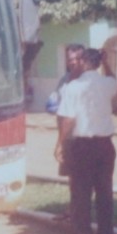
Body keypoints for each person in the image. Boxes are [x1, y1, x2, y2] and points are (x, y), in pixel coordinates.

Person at [54, 48, 117, 234]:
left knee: (81, 191)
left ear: (82, 62)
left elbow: (69, 120)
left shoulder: (73, 87)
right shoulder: (108, 84)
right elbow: (113, 78)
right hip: (105, 144)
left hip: (83, 146)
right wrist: (106, 62)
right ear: (99, 63)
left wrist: (60, 143)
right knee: (105, 190)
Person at [47, 44, 85, 222]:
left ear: (83, 60)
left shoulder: (88, 81)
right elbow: (56, 100)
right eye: (70, 59)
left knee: (82, 178)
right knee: (72, 176)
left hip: (81, 137)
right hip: (66, 136)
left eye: (76, 59)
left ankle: (79, 214)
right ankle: (72, 210)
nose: (73, 63)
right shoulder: (64, 80)